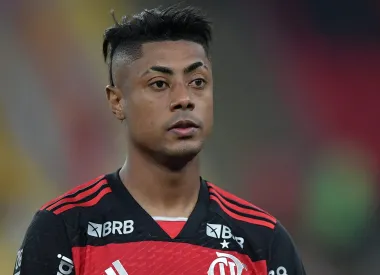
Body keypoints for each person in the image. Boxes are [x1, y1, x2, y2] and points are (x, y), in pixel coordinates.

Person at [13, 5, 306, 275]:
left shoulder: (263, 241)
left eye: (198, 82)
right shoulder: (63, 230)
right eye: (159, 84)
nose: (184, 99)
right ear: (117, 102)